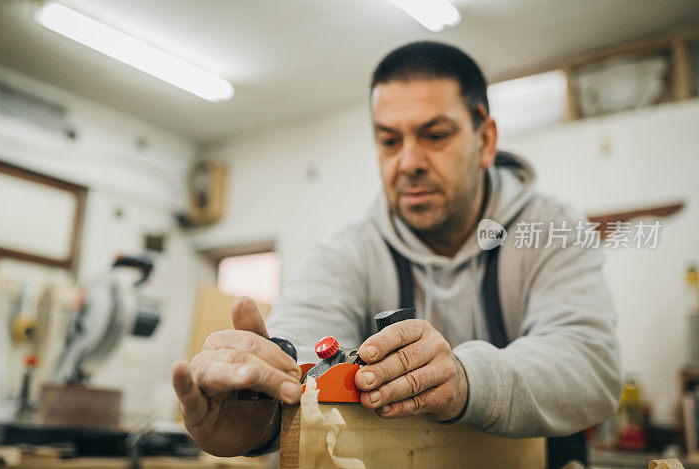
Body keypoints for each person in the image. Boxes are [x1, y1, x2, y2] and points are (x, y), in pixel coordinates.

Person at [172, 41, 622, 467]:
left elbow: (590, 364)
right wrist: (264, 413)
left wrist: (465, 381)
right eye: (389, 141)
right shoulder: (346, 252)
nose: (408, 162)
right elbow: (300, 352)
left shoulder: (551, 228)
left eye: (435, 135)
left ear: (486, 140)